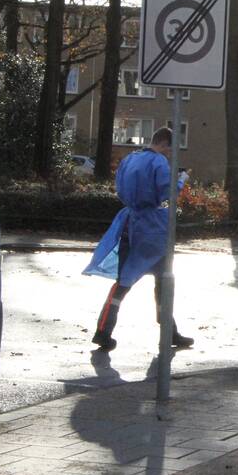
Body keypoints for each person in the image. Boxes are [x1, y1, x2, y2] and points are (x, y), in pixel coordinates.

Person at [83, 127, 194, 352]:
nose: (171, 154)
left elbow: (120, 188)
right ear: (164, 144)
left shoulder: (130, 159)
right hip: (154, 230)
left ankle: (103, 331)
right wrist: (181, 180)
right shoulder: (159, 163)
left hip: (129, 224)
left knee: (123, 281)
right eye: (171, 149)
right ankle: (169, 332)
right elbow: (167, 193)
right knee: (163, 281)